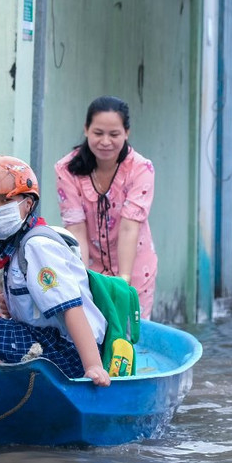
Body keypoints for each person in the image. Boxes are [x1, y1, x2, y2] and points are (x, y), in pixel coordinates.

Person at [0, 155, 111, 391]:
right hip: (49, 342)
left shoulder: (36, 245)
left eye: (4, 201)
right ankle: (24, 389)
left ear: (28, 203)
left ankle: (30, 389)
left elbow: (70, 306)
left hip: (69, 352)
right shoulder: (16, 246)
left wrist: (93, 366)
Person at [55, 96, 157, 318]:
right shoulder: (66, 169)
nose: (105, 142)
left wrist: (124, 281)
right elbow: (76, 229)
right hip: (91, 268)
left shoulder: (141, 169)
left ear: (126, 132)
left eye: (114, 134)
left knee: (129, 337)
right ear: (86, 129)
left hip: (135, 267)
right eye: (98, 133)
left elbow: (130, 228)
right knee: (94, 335)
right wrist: (81, 279)